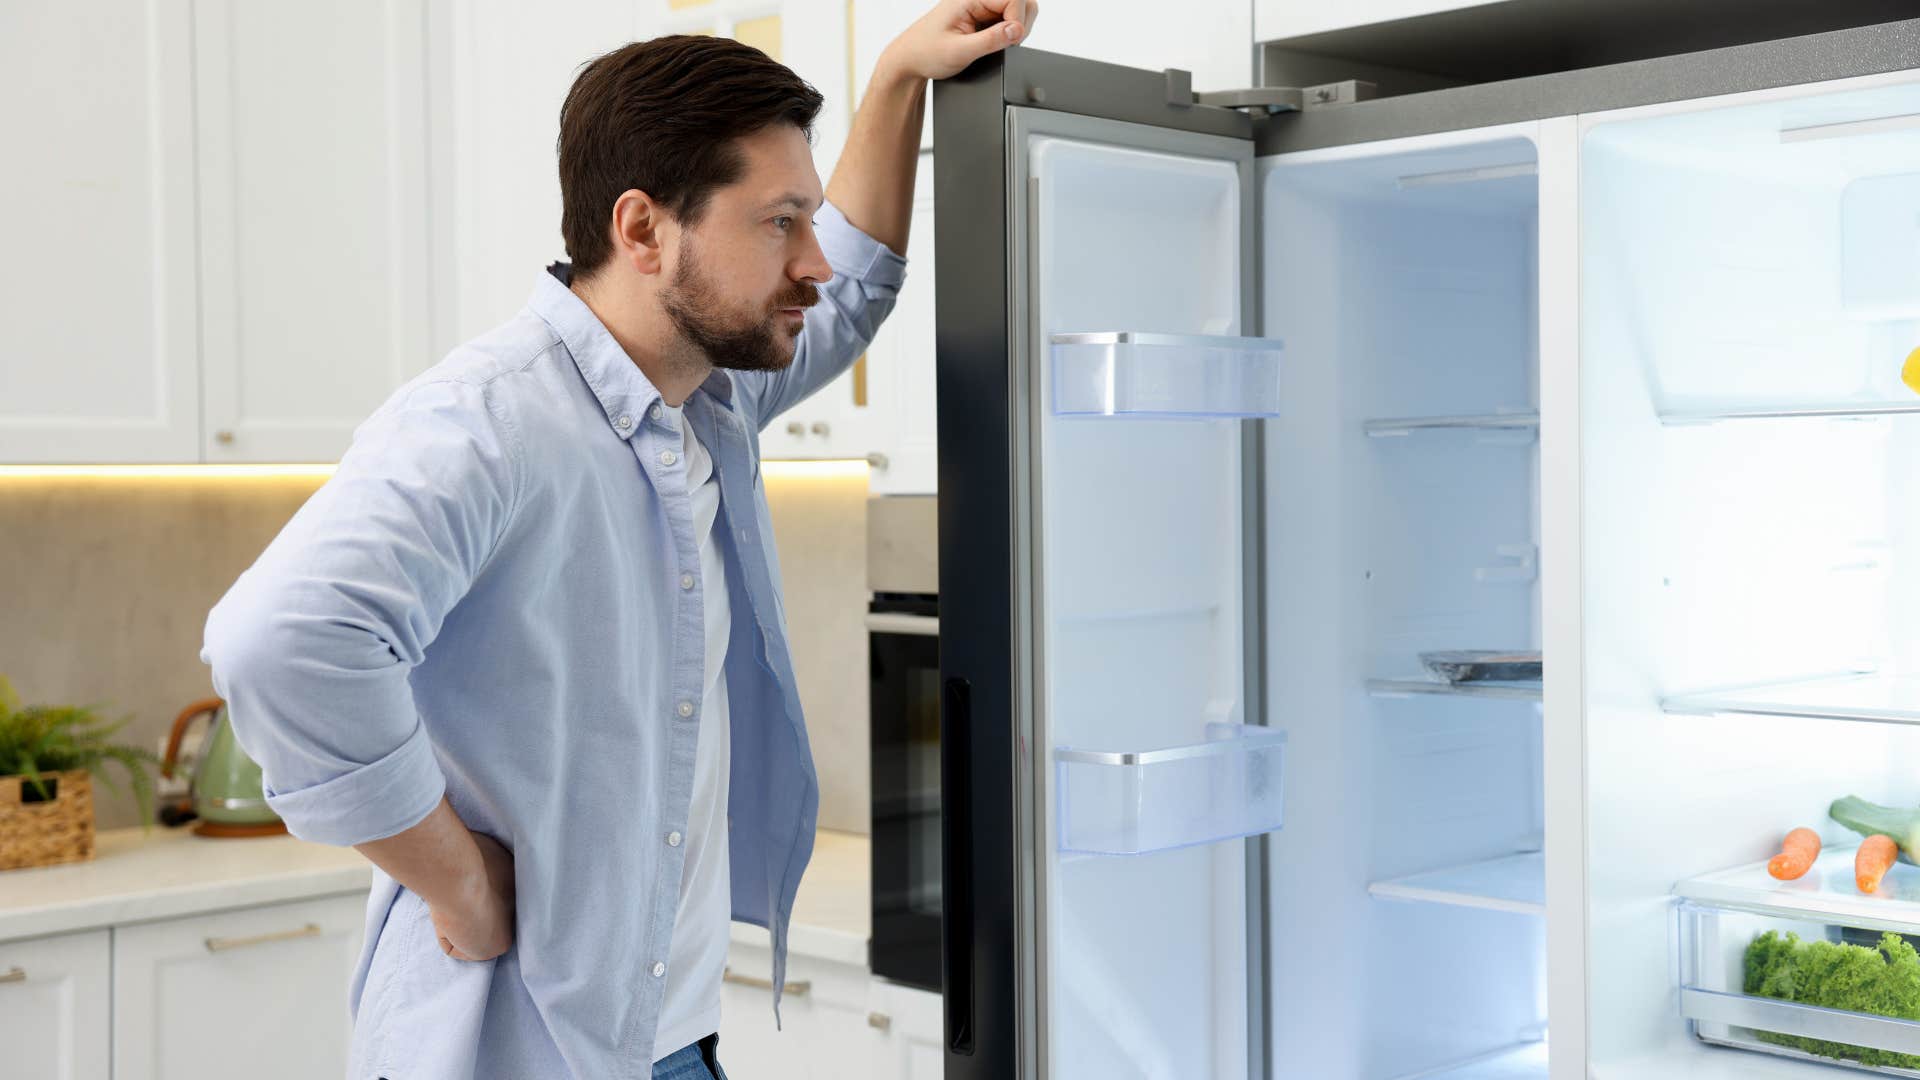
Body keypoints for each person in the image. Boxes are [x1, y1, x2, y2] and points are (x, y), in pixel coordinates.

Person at [199, 2, 1037, 1077]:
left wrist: (898, 79)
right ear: (642, 230)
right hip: (512, 1046)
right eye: (779, 223)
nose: (811, 262)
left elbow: (853, 288)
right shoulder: (492, 422)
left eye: (808, 220)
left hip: (658, 1037)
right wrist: (454, 879)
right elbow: (281, 642)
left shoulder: (706, 400)